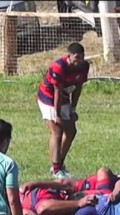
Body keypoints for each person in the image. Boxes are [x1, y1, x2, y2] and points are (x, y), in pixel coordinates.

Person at [38, 43, 90, 178]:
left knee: (71, 131)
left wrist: (73, 109)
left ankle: (58, 164)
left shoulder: (84, 66)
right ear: (69, 56)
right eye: (76, 57)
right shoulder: (59, 67)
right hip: (48, 97)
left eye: (81, 57)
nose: (79, 61)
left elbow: (78, 88)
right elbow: (57, 91)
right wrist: (57, 114)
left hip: (64, 97)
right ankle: (57, 169)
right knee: (57, 131)